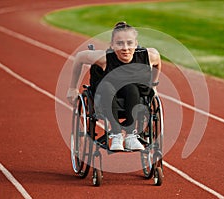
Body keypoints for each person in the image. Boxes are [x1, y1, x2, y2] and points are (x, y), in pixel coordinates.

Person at [67, 21, 161, 151]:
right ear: (112, 45)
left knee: (131, 87)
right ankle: (116, 133)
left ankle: (130, 136)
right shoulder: (105, 58)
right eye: (119, 43)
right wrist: (72, 88)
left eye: (129, 43)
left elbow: (157, 62)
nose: (125, 48)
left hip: (132, 94)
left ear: (136, 43)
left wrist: (154, 85)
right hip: (107, 93)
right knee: (106, 86)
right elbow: (79, 57)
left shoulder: (148, 55)